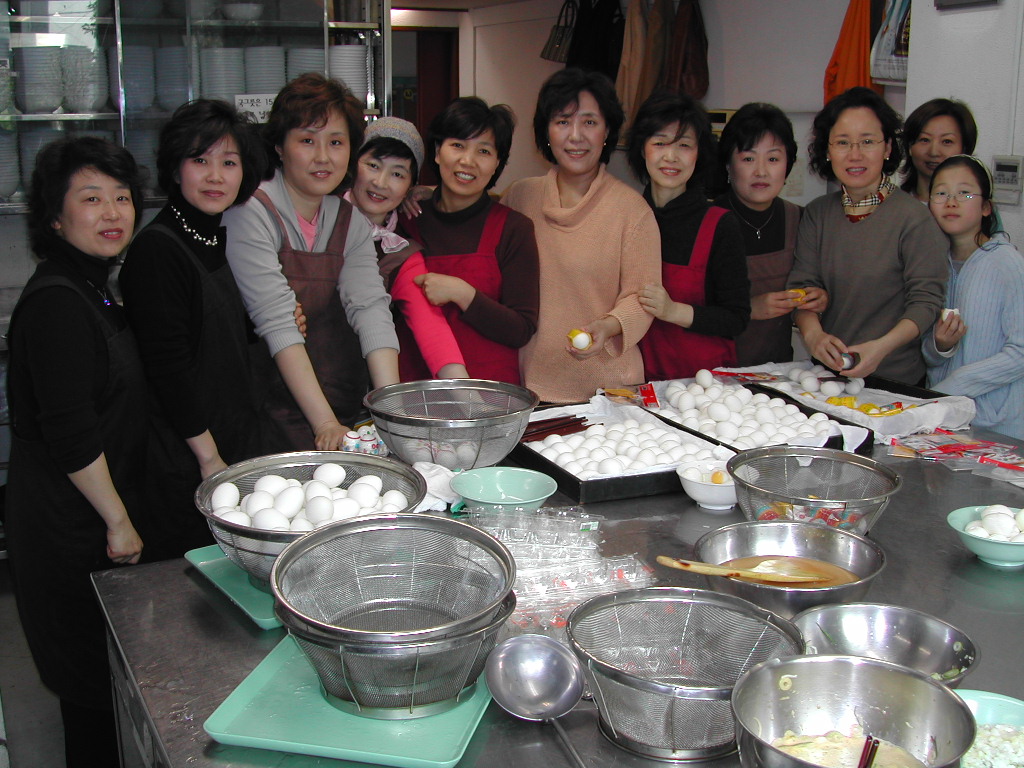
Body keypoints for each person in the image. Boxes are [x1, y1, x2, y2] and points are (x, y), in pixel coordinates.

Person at [5, 136, 145, 767]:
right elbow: (70, 431)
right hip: (70, 527)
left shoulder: (95, 287)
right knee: (89, 694)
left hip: (90, 519)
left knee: (104, 687)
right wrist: (117, 521)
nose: (112, 211)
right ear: (55, 219)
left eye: (122, 197)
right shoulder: (59, 303)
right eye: (91, 198)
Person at [119, 100, 266, 560]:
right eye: (200, 160)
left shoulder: (212, 235)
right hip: (187, 460)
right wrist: (209, 459)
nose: (215, 176)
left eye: (229, 162)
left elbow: (211, 331)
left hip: (227, 446)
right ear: (175, 168)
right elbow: (169, 368)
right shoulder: (158, 250)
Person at [224, 73, 399, 451]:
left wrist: (392, 411)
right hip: (264, 414)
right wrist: (324, 423)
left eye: (336, 142)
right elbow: (277, 320)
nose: (323, 157)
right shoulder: (251, 212)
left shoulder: (350, 221)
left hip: (339, 407)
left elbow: (370, 309)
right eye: (307, 140)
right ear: (279, 146)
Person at [503, 68, 660, 402]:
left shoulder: (632, 210)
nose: (576, 136)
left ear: (607, 131)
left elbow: (642, 298)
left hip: (609, 390)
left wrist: (608, 326)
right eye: (562, 121)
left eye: (589, 122)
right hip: (531, 386)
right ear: (546, 131)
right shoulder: (520, 197)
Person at [787, 86, 948, 385]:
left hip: (895, 382)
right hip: (827, 377)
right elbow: (802, 288)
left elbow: (926, 302)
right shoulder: (817, 213)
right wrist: (813, 335)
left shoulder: (914, 219)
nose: (855, 154)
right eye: (842, 142)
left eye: (867, 141)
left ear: (887, 148)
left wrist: (881, 348)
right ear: (827, 150)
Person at [396, 97, 539, 384]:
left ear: (497, 163)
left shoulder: (514, 228)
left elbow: (522, 329)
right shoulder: (405, 220)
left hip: (489, 394)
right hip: (415, 389)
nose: (467, 161)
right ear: (437, 151)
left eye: (484, 151)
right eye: (458, 145)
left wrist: (464, 294)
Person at [625, 91, 749, 380]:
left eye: (684, 145)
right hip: (634, 382)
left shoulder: (720, 225)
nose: (671, 156)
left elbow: (736, 318)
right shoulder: (625, 217)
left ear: (698, 153)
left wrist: (673, 311)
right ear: (642, 149)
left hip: (703, 386)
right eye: (659, 143)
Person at [346, 116, 470, 380]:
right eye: (373, 165)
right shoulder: (320, 214)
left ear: (410, 187)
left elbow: (433, 330)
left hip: (356, 384)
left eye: (397, 174)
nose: (380, 182)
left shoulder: (401, 253)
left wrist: (466, 392)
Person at [714, 102, 828, 366]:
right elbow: (684, 307)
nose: (761, 171)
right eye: (748, 158)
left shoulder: (801, 220)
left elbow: (811, 284)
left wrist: (820, 298)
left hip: (777, 373)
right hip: (711, 372)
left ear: (788, 166)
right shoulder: (707, 221)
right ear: (728, 165)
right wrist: (747, 309)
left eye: (773, 159)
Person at [923, 155, 1024, 440]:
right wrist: (940, 346)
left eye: (964, 193)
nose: (951, 202)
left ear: (986, 207)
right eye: (941, 193)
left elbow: (1021, 351)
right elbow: (926, 352)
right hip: (942, 423)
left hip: (997, 426)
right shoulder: (931, 264)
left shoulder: (1007, 263)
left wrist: (955, 385)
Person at [900, 98, 978, 204]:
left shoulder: (975, 206)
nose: (934, 152)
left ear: (964, 149)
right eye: (925, 140)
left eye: (947, 141)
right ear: (910, 146)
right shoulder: (893, 206)